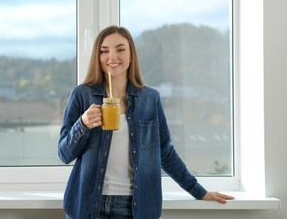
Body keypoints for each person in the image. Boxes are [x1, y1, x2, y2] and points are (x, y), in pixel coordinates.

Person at [58, 25, 233, 219]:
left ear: (131, 55)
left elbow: (165, 152)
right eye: (104, 51)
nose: (112, 57)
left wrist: (199, 191)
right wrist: (82, 124)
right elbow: (64, 154)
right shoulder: (82, 95)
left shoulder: (150, 99)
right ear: (97, 57)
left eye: (120, 49)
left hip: (134, 207)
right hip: (86, 205)